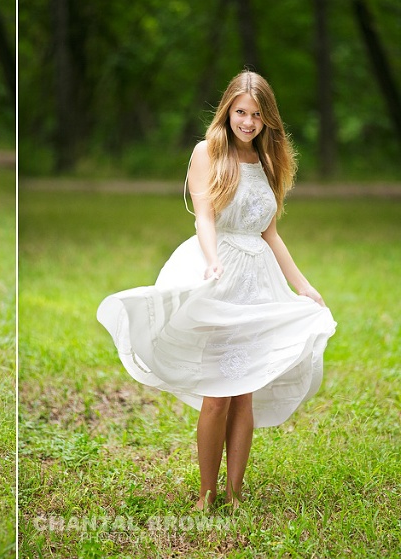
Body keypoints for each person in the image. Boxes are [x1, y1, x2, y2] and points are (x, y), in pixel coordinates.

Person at [97, 71, 336, 510]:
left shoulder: (269, 162)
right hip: (219, 269)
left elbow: (271, 235)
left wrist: (303, 285)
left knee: (245, 388)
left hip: (258, 279)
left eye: (256, 115)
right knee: (217, 394)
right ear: (227, 110)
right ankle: (207, 494)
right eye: (240, 112)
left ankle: (235, 491)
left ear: (268, 120)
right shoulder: (208, 153)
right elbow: (204, 216)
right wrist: (212, 260)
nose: (247, 122)